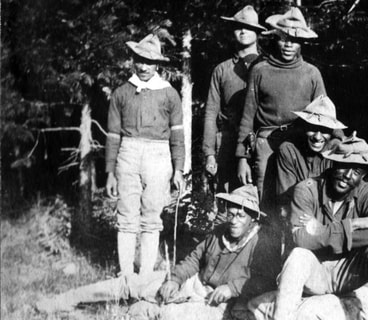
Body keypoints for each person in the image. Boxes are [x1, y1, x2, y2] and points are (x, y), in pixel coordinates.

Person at [35, 185, 280, 320]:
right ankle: (62, 301)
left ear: (253, 218)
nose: (234, 220)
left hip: (214, 305)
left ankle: (117, 312)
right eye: (231, 212)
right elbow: (193, 259)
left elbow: (265, 280)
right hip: (192, 283)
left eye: (241, 215)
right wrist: (175, 279)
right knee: (130, 284)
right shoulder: (219, 233)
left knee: (164, 314)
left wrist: (233, 288)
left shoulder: (260, 244)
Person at [250, 133, 368, 320]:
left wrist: (321, 232)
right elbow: (302, 239)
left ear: (363, 175)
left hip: (348, 272)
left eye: (356, 172)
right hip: (315, 272)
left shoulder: (367, 192)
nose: (347, 176)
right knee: (299, 255)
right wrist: (356, 224)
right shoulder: (306, 189)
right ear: (333, 164)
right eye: (344, 168)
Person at [105, 34, 185, 276]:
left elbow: (177, 136)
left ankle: (147, 274)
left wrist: (178, 169)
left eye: (149, 62)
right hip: (127, 154)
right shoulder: (121, 93)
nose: (143, 66)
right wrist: (110, 172)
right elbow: (112, 135)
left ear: (157, 64)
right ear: (132, 60)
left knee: (152, 215)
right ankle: (126, 274)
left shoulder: (169, 94)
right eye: (139, 60)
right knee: (127, 216)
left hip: (158, 156)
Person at [235, 7, 325, 211]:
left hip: (299, 146)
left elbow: (324, 115)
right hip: (266, 144)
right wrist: (242, 157)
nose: (288, 45)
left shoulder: (312, 74)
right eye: (283, 38)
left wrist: (341, 143)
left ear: (302, 43)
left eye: (294, 40)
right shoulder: (260, 70)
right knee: (265, 202)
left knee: (299, 200)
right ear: (275, 38)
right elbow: (247, 116)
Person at [202, 6, 267, 193]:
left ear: (258, 32)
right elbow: (211, 113)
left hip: (261, 143)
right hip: (228, 145)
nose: (243, 31)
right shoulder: (222, 70)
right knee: (228, 204)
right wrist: (209, 154)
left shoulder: (268, 67)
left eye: (248, 27)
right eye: (238, 27)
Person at [275, 95, 346, 216]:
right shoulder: (288, 150)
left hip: (329, 214)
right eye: (312, 128)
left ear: (332, 131)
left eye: (324, 130)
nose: (317, 137)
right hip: (298, 212)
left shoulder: (336, 150)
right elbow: (285, 198)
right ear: (304, 127)